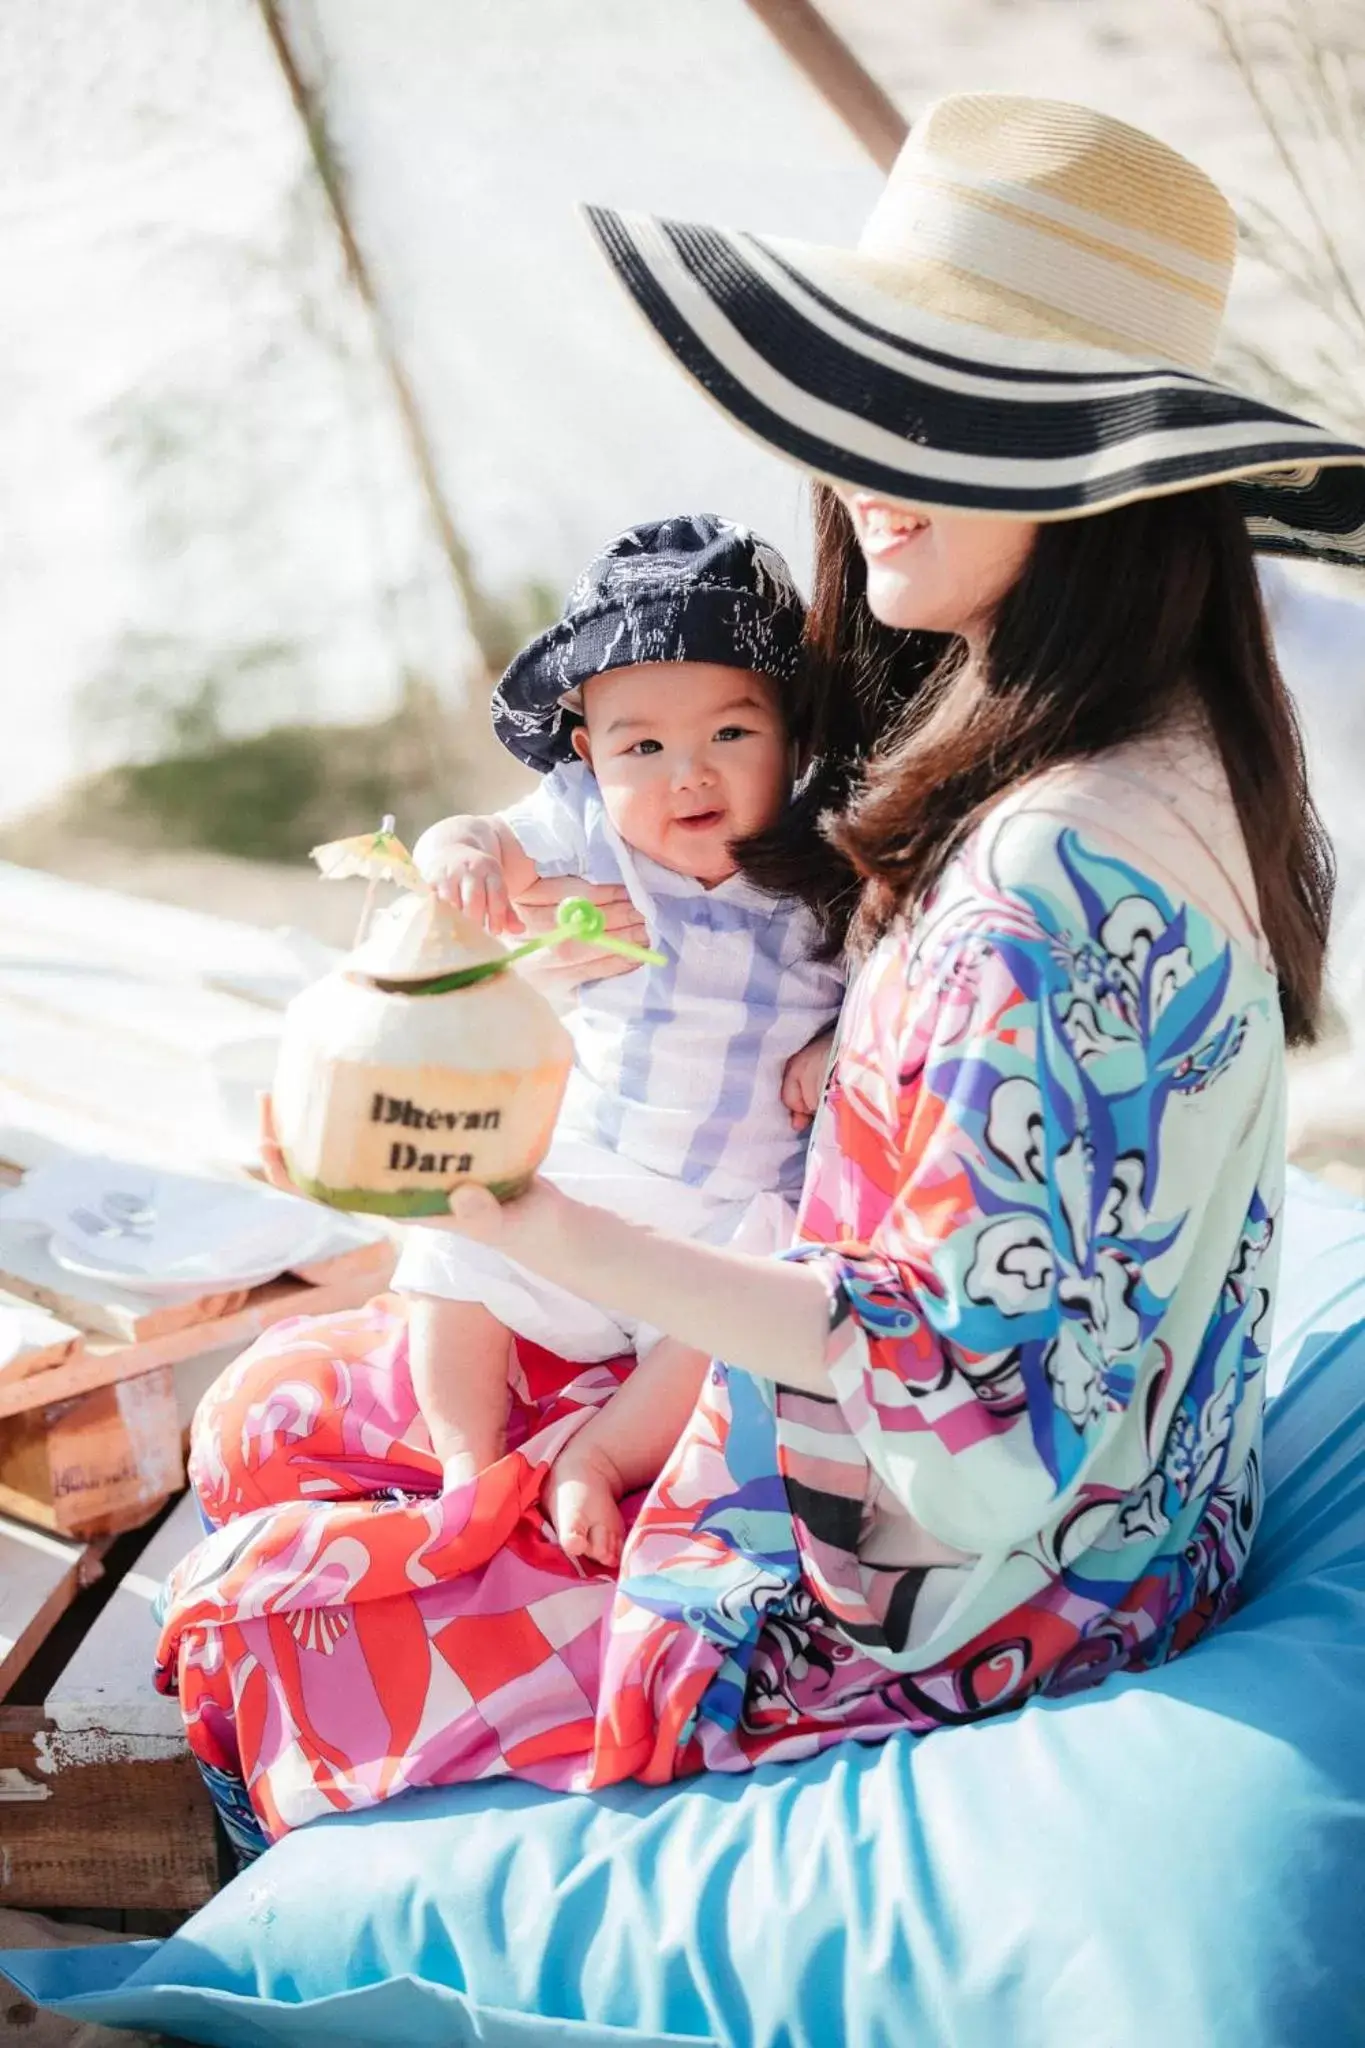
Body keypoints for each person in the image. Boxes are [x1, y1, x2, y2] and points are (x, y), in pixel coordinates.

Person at [158, 93, 1365, 1852]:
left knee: (263, 1624)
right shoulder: (1169, 744)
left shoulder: (1051, 871)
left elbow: (948, 1409)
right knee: (271, 1411)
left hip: (967, 1593)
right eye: (856, 401)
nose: (866, 459)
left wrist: (519, 1214)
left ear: (1090, 466)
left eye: (935, 410)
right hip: (1142, 1500)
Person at [394, 513, 844, 1563]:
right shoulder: (588, 830)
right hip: (589, 1167)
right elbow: (480, 839)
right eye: (644, 746)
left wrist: (838, 1042)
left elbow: (887, 972)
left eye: (731, 735)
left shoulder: (825, 860)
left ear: (796, 739)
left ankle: (598, 1455)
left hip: (722, 1211)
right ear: (591, 757)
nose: (687, 774)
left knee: (742, 1314)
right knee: (451, 1233)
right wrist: (459, 852)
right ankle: (465, 1457)